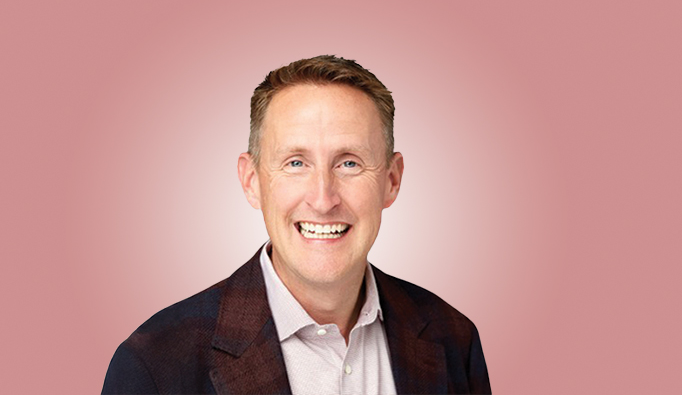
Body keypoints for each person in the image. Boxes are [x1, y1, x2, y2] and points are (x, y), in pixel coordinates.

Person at [102, 55, 491, 394]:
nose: (323, 199)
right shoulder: (155, 364)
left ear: (391, 180)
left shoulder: (454, 340)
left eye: (349, 163)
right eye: (296, 163)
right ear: (252, 182)